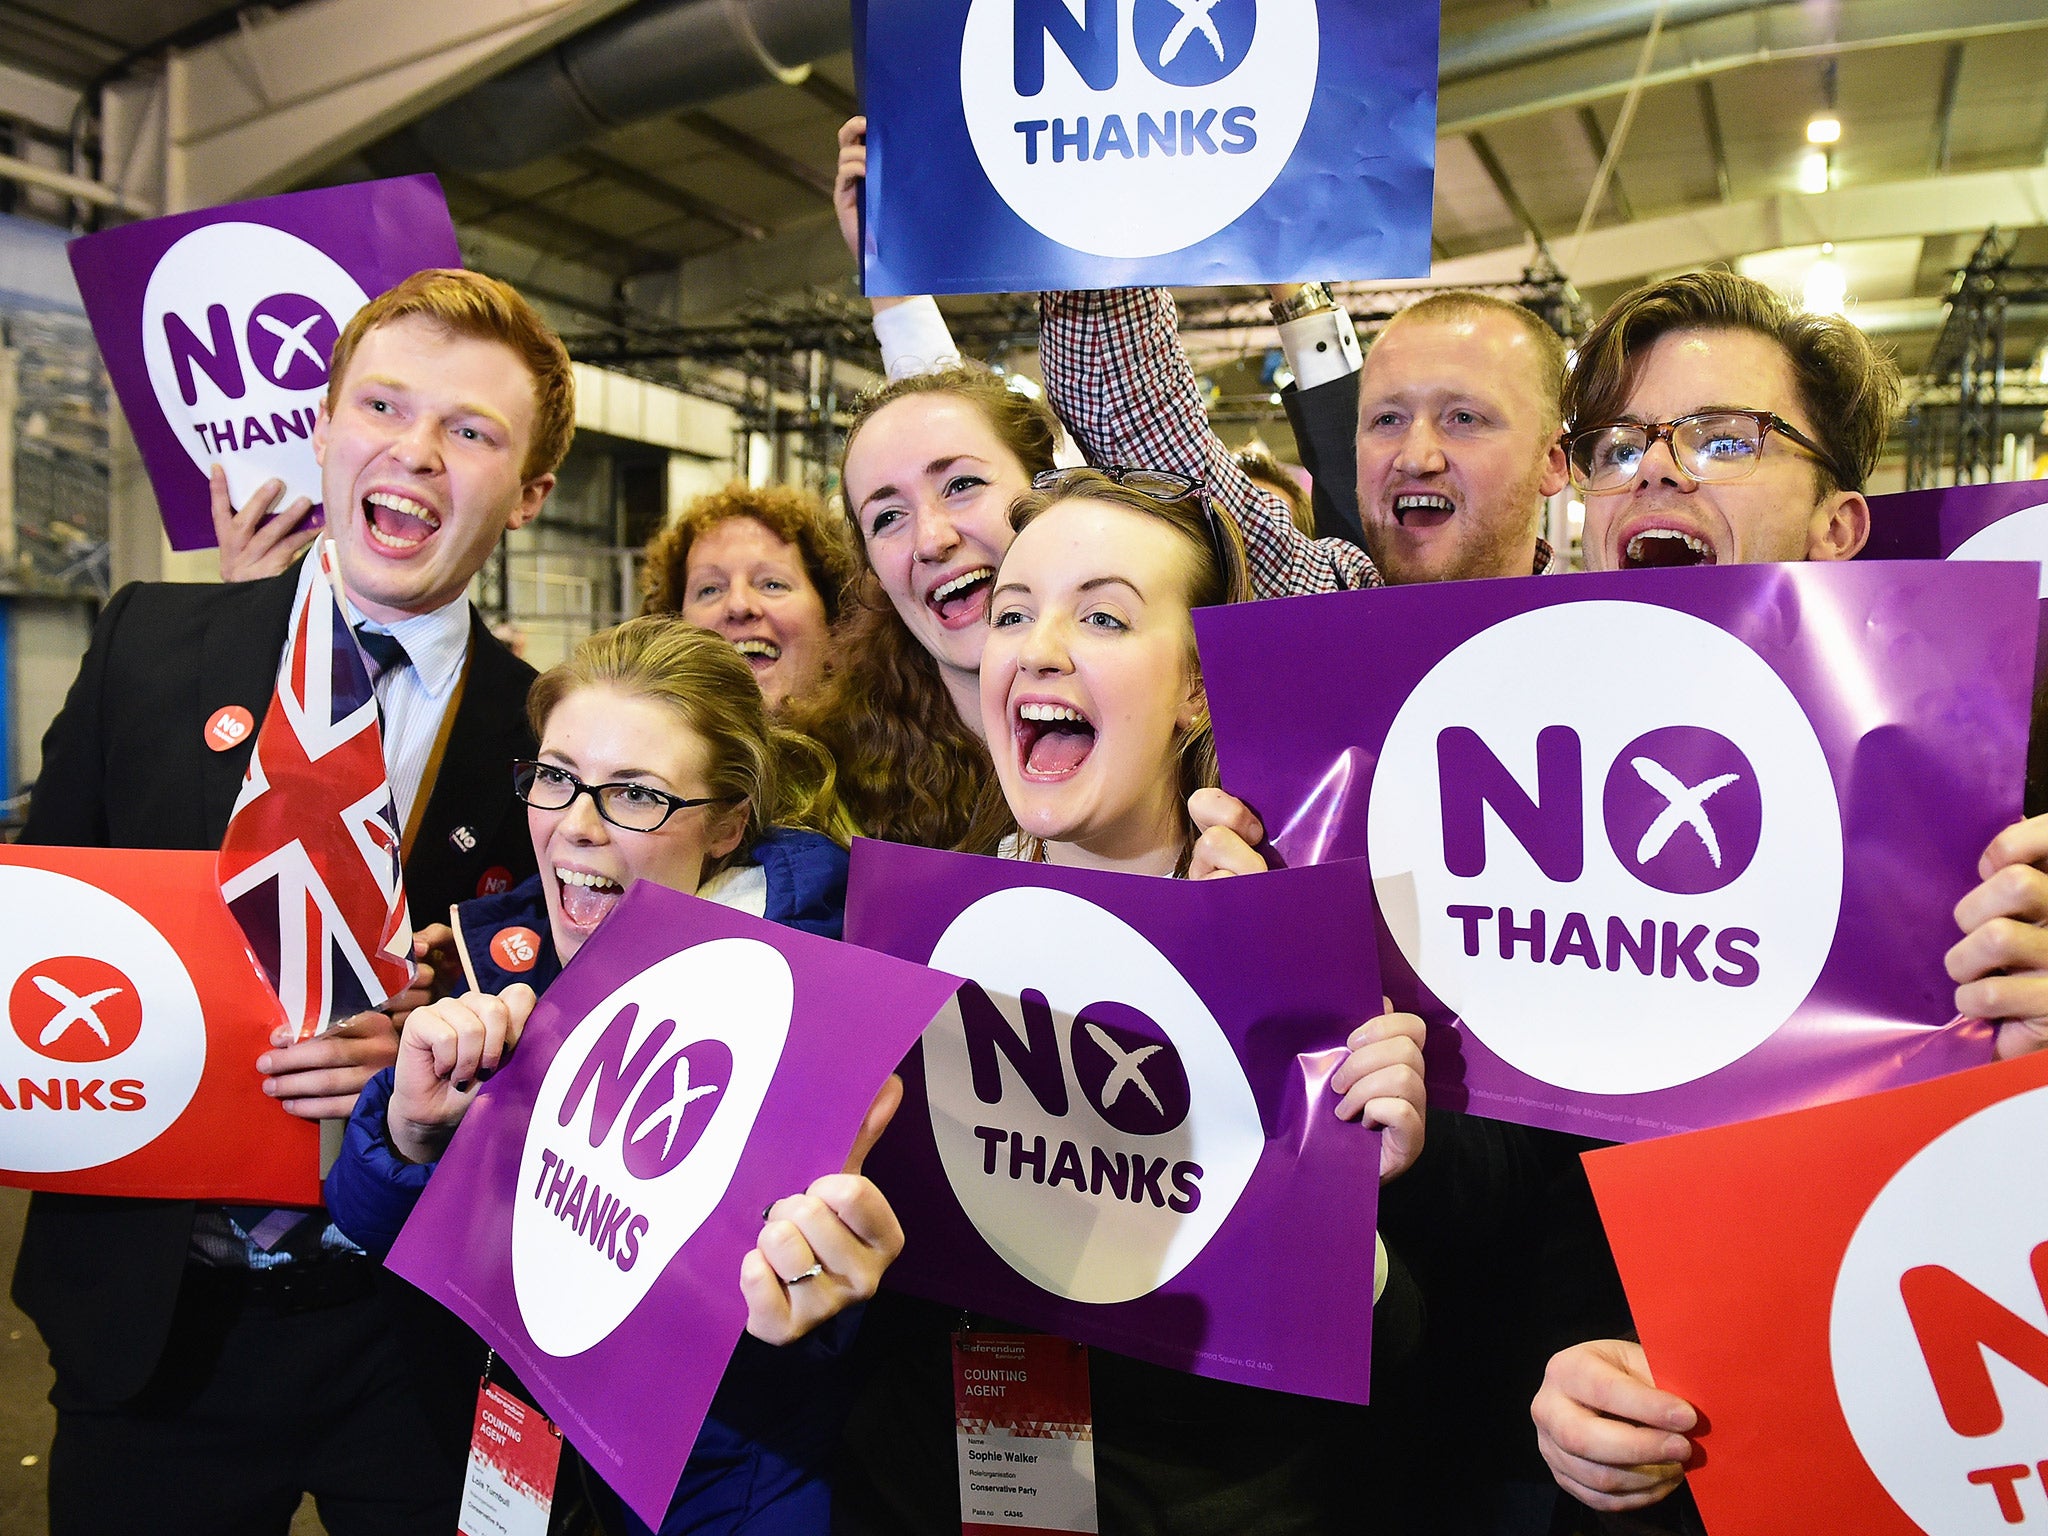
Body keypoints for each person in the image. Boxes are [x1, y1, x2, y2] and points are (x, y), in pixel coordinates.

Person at [20, 267, 572, 1534]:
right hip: (160, 1328)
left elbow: (584, 1030)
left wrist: (439, 1066)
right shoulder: (151, 648)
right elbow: (39, 933)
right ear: (325, 429)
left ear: (530, 492)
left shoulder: (546, 734)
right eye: (382, 406)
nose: (416, 453)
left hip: (426, 1337)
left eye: (472, 431)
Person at [1534, 268, 2048, 1523]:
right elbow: (1502, 1190)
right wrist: (1551, 1379)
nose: (1653, 471)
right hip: (1646, 1483)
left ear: (1836, 529)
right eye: (1616, 445)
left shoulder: (1998, 792)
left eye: (1722, 438)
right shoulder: (1504, 800)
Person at [837, 467, 1431, 1535]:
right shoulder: (902, 939)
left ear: (1197, 689)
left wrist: (1345, 1195)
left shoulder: (1306, 954)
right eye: (1013, 612)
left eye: (1102, 615)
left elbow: (1387, 1368)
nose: (1038, 647)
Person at [325, 616, 893, 1533]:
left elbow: (832, 1342)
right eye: (555, 778)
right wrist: (411, 1133)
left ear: (727, 824)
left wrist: (812, 1298)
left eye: (636, 794)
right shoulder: (489, 957)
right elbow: (369, 1225)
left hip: (724, 1494)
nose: (575, 828)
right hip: (515, 1473)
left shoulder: (821, 998)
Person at [639, 481, 857, 712]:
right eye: (709, 590)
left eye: (772, 584)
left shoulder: (886, 745)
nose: (739, 605)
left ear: (836, 625)